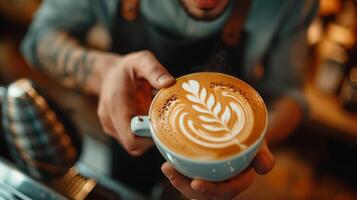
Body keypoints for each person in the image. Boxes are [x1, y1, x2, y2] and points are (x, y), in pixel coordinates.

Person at [21, 0, 318, 199]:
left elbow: (290, 94)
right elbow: (39, 38)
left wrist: (248, 145)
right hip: (128, 147)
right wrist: (102, 73)